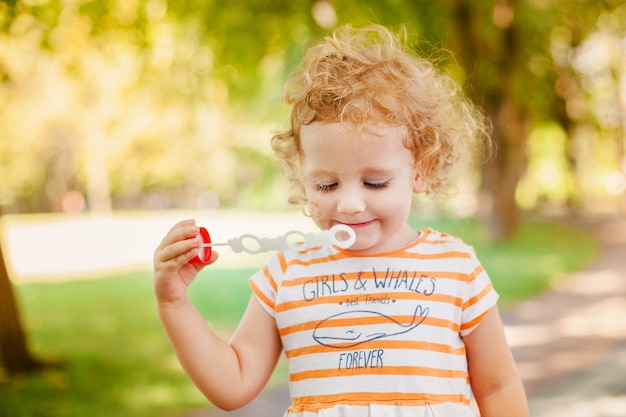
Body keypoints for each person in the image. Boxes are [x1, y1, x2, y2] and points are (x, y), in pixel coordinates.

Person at [153, 23, 529, 417]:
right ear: (304, 179)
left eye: (374, 182)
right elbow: (233, 383)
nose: (349, 204)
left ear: (421, 168)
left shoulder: (456, 267)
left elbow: (498, 386)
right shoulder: (287, 273)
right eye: (327, 185)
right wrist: (173, 303)